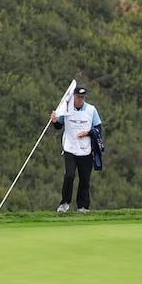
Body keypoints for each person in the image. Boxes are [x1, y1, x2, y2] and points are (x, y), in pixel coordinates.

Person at [51, 84, 102, 212]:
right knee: (69, 175)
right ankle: (64, 203)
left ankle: (83, 206)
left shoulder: (91, 110)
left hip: (85, 150)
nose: (80, 100)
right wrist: (54, 120)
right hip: (70, 148)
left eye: (82, 97)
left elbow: (98, 129)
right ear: (73, 96)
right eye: (78, 97)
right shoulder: (66, 109)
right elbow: (59, 125)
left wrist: (87, 133)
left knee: (84, 179)